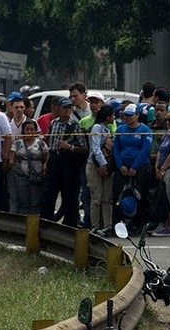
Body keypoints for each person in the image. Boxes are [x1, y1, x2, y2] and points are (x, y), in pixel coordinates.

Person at [40, 97, 87, 227]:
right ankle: (46, 222)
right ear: (58, 109)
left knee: (70, 196)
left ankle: (70, 224)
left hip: (69, 163)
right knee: (49, 194)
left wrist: (69, 147)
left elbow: (84, 149)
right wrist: (46, 162)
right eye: (64, 107)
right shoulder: (53, 123)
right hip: (54, 161)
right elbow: (49, 144)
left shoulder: (76, 126)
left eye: (69, 107)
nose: (67, 110)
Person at [112, 103, 153, 232]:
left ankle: (140, 222)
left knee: (140, 195)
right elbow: (116, 149)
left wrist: (135, 166)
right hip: (123, 168)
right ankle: (121, 222)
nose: (128, 118)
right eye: (126, 116)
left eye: (131, 116)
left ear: (137, 115)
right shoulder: (120, 130)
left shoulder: (145, 130)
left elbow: (145, 149)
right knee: (119, 195)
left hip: (140, 168)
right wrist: (120, 166)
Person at [87, 104, 116, 236]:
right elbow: (95, 149)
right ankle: (95, 225)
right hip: (94, 165)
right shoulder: (96, 128)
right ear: (108, 116)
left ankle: (107, 225)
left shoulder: (107, 129)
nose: (114, 118)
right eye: (112, 115)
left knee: (107, 197)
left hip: (106, 167)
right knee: (96, 197)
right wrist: (103, 164)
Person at [9, 120, 48, 214]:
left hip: (37, 178)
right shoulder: (17, 144)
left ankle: (34, 223)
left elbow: (46, 157)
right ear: (23, 131)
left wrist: (44, 165)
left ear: (35, 131)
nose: (29, 132)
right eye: (27, 130)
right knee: (23, 201)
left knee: (36, 202)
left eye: (32, 129)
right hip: (21, 177)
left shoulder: (41, 144)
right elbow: (12, 158)